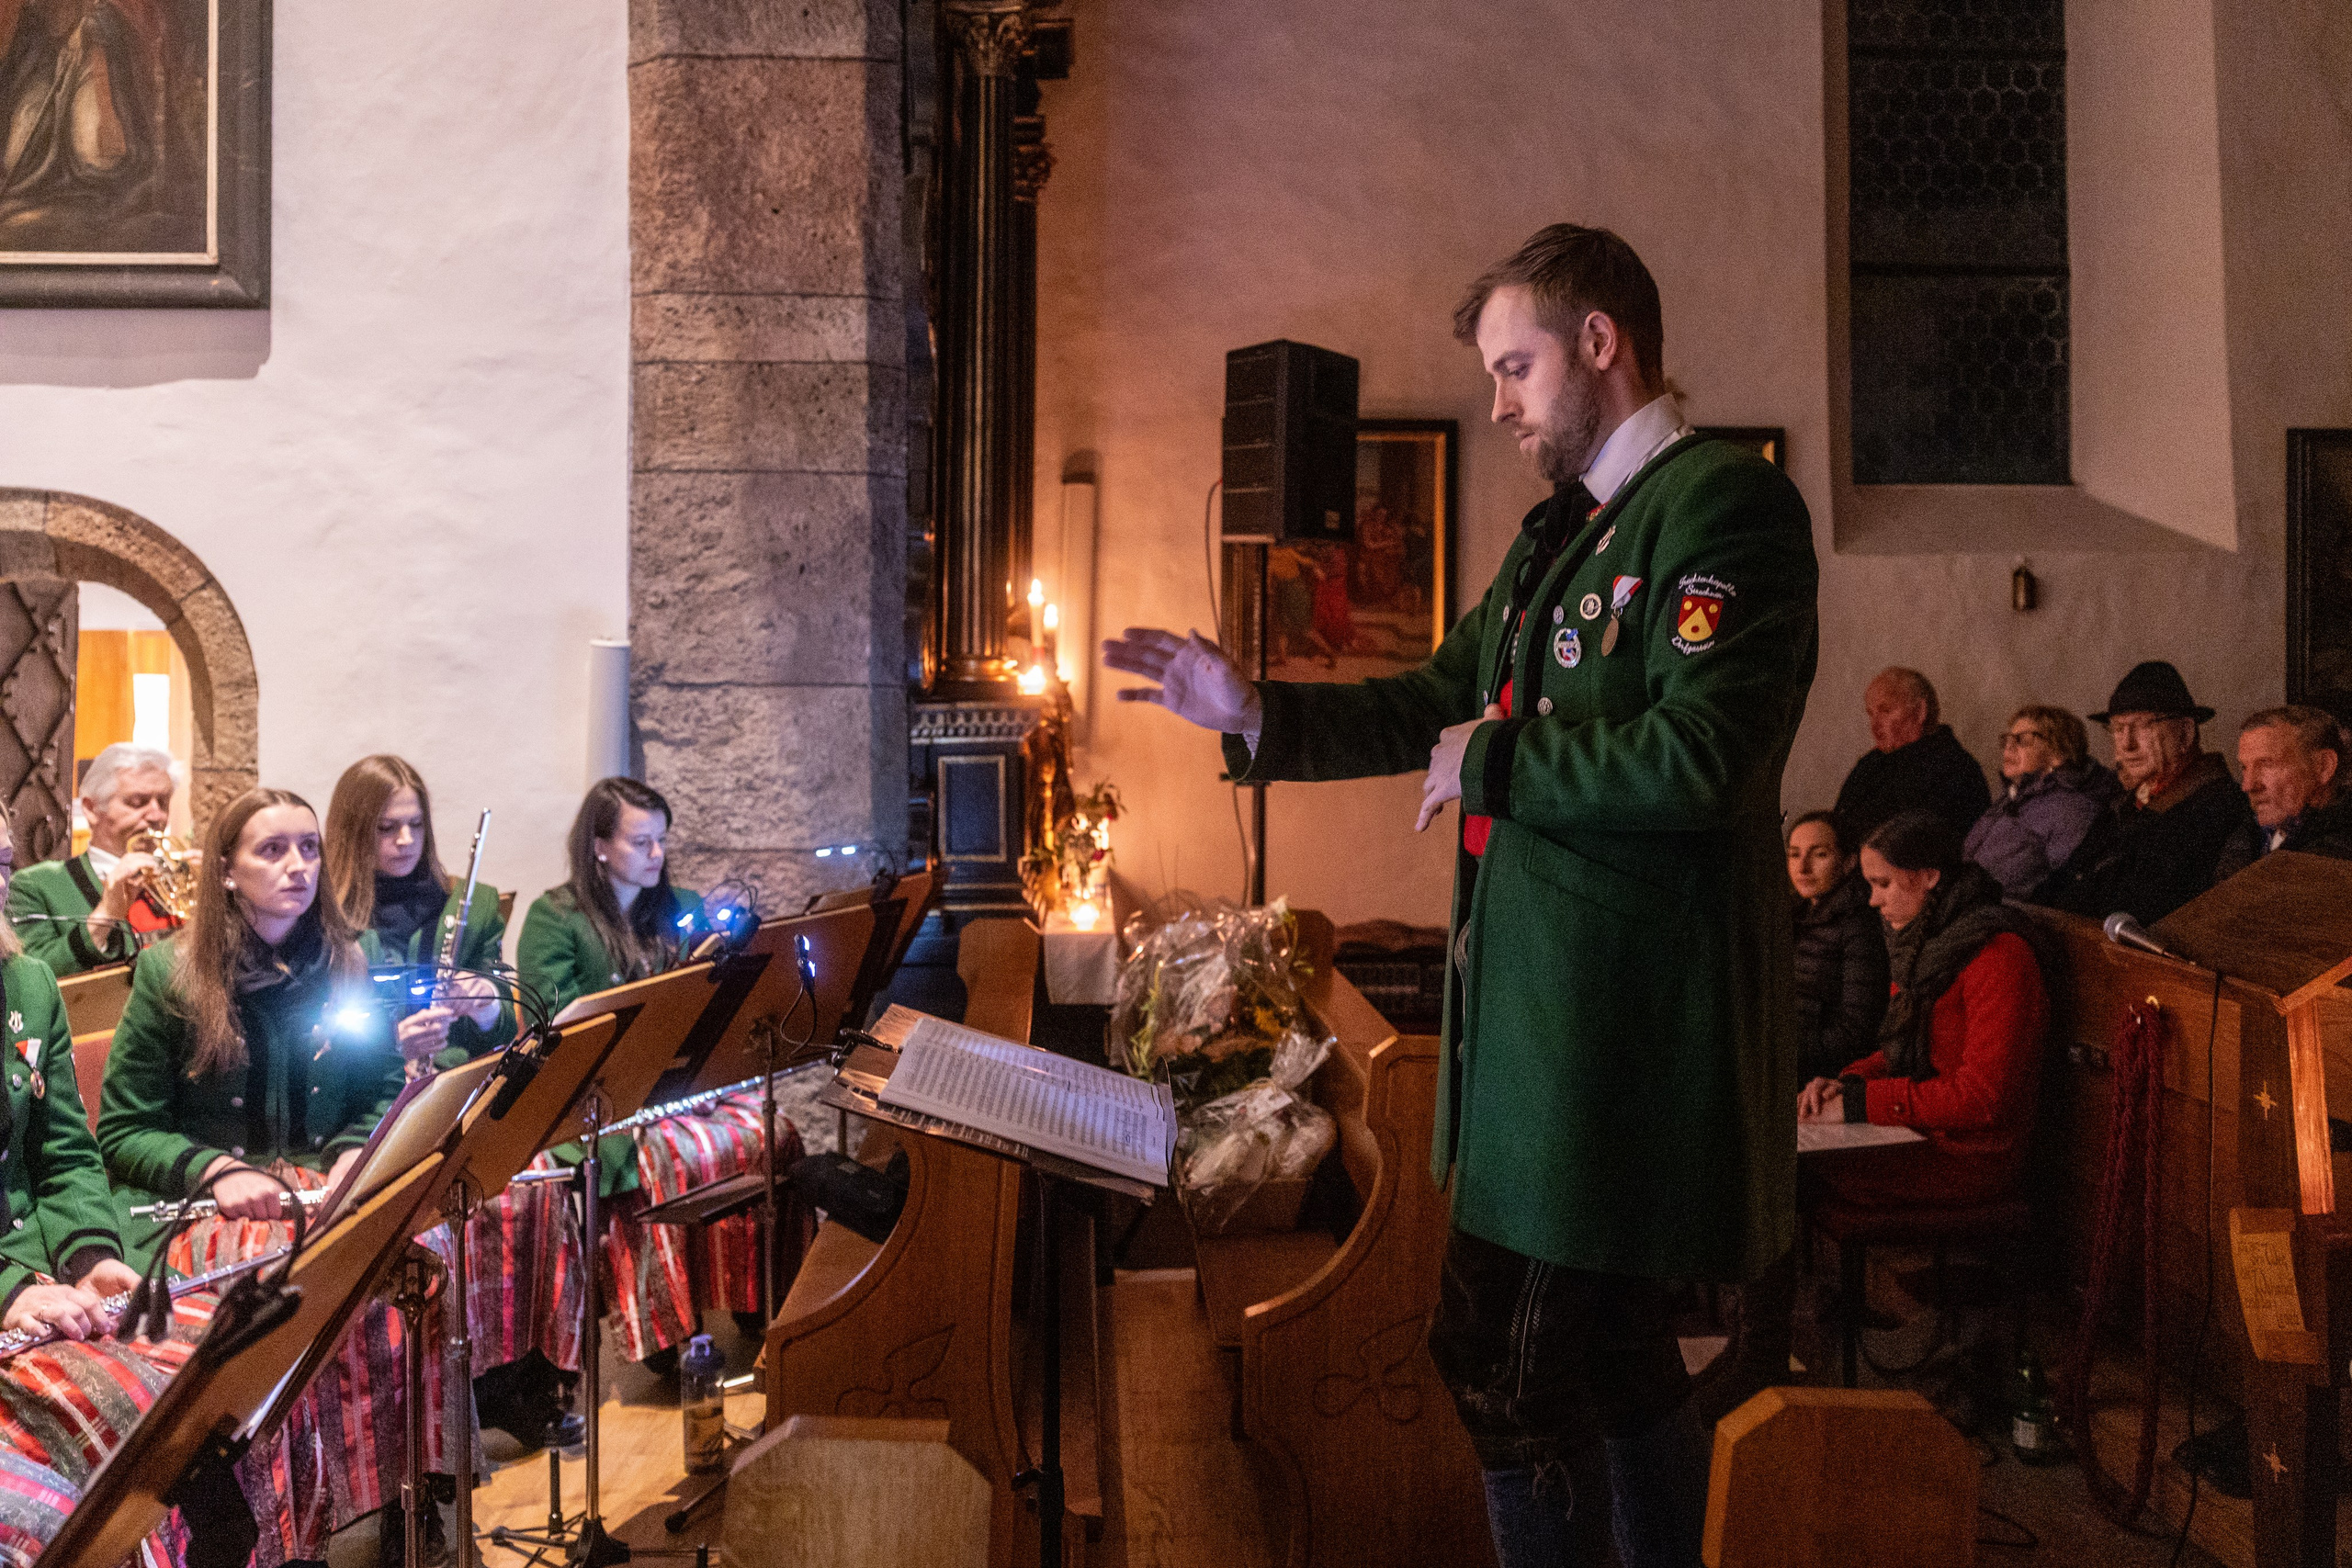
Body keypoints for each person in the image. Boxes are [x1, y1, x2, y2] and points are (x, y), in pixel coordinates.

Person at [1106, 222, 1819, 1568]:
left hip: (1623, 1036)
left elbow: (1710, 755)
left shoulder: (1722, 506)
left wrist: (1491, 756)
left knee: (1503, 1355)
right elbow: (1437, 699)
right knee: (1604, 1355)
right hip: (1536, 1045)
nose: (1498, 403)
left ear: (1599, 342)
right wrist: (1254, 707)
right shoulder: (1564, 532)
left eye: (1517, 367)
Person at [95, 786, 459, 1562]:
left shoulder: (345, 963)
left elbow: (370, 1096)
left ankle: (407, 1496)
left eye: (309, 848)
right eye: (272, 850)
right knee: (280, 1296)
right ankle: (279, 1533)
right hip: (197, 1210)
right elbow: (122, 1131)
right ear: (225, 870)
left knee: (418, 1266)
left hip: (318, 1191)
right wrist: (214, 1167)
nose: (298, 865)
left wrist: (363, 1150)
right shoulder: (169, 972)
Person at [322, 754, 584, 1454]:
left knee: (530, 1191)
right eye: (385, 828)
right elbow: (317, 1039)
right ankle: (427, 1420)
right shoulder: (328, 918)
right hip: (366, 1108)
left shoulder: (465, 907)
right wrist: (389, 1038)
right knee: (432, 1216)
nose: (404, 841)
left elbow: (508, 1027)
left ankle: (512, 1383)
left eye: (414, 825)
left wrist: (486, 1002)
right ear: (354, 831)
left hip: (456, 1099)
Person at [517, 777, 800, 1369]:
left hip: (684, 1088)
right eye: (640, 842)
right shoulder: (556, 918)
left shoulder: (683, 908)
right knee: (667, 1160)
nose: (656, 855)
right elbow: (561, 1034)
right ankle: (666, 1333)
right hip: (601, 1098)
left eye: (661, 841)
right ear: (598, 846)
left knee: (771, 1134)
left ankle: (766, 1301)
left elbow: (710, 1008)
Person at [1799, 811, 2048, 1210]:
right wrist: (1849, 1084)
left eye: (1883, 884)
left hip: (1969, 1156)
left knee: (1787, 1175)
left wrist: (1860, 1105)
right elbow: (1905, 1048)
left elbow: (1982, 1098)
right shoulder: (1922, 942)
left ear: (1929, 877)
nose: (1873, 900)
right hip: (1921, 1131)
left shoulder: (1999, 955)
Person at [2043, 661, 2258, 924]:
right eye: (2118, 728)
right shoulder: (2127, 803)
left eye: (2143, 726)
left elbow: (2150, 908)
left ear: (2185, 733)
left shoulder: (2218, 807)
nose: (2127, 743)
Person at [6, 741, 183, 975]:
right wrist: (106, 914)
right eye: (137, 802)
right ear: (90, 809)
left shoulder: (179, 878)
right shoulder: (35, 886)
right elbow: (30, 978)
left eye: (163, 802)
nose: (156, 815)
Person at [1962, 705, 2120, 899]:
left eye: (2021, 740)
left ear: (2058, 752)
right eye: (2007, 739)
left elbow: (2067, 885)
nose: (2009, 747)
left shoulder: (2070, 809)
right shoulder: (2011, 798)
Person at [1830, 669, 1989, 846]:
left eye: (1886, 711)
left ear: (1920, 711)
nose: (1874, 725)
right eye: (1871, 714)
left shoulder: (1955, 771)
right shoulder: (1871, 763)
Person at [1787, 811, 1886, 1085]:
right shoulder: (1791, 915)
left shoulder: (1860, 924)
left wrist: (1778, 1053)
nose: (1802, 867)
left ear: (1848, 862)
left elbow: (1857, 1030)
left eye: (1819, 854)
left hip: (1821, 1077)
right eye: (1794, 854)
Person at [2215, 705, 2352, 877]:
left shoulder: (2338, 853)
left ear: (2323, 767)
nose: (2248, 785)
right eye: (2244, 767)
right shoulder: (2248, 837)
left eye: (2266, 764)